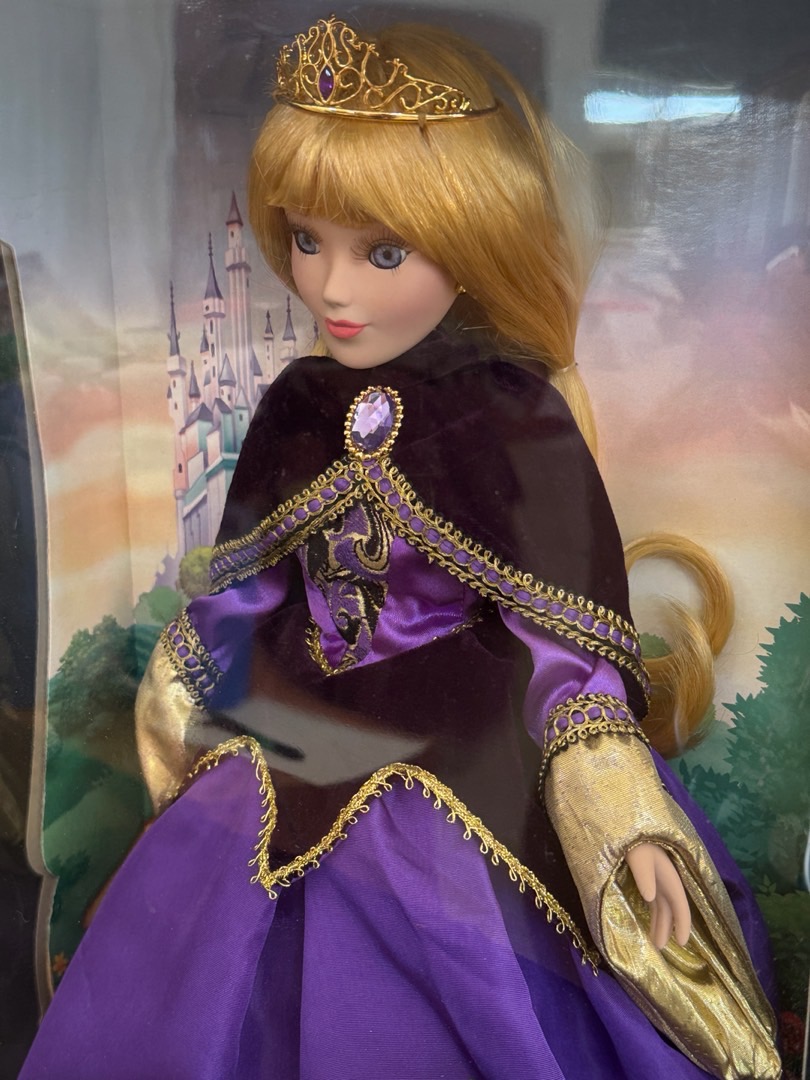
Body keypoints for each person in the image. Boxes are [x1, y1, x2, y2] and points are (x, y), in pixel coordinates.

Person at [22, 17, 780, 1079]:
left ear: (470, 244)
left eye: (384, 252)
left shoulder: (512, 413)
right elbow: (247, 589)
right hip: (282, 736)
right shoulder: (297, 403)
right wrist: (183, 700)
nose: (334, 289)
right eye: (307, 240)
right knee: (196, 966)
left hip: (463, 751)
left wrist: (622, 817)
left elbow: (561, 647)